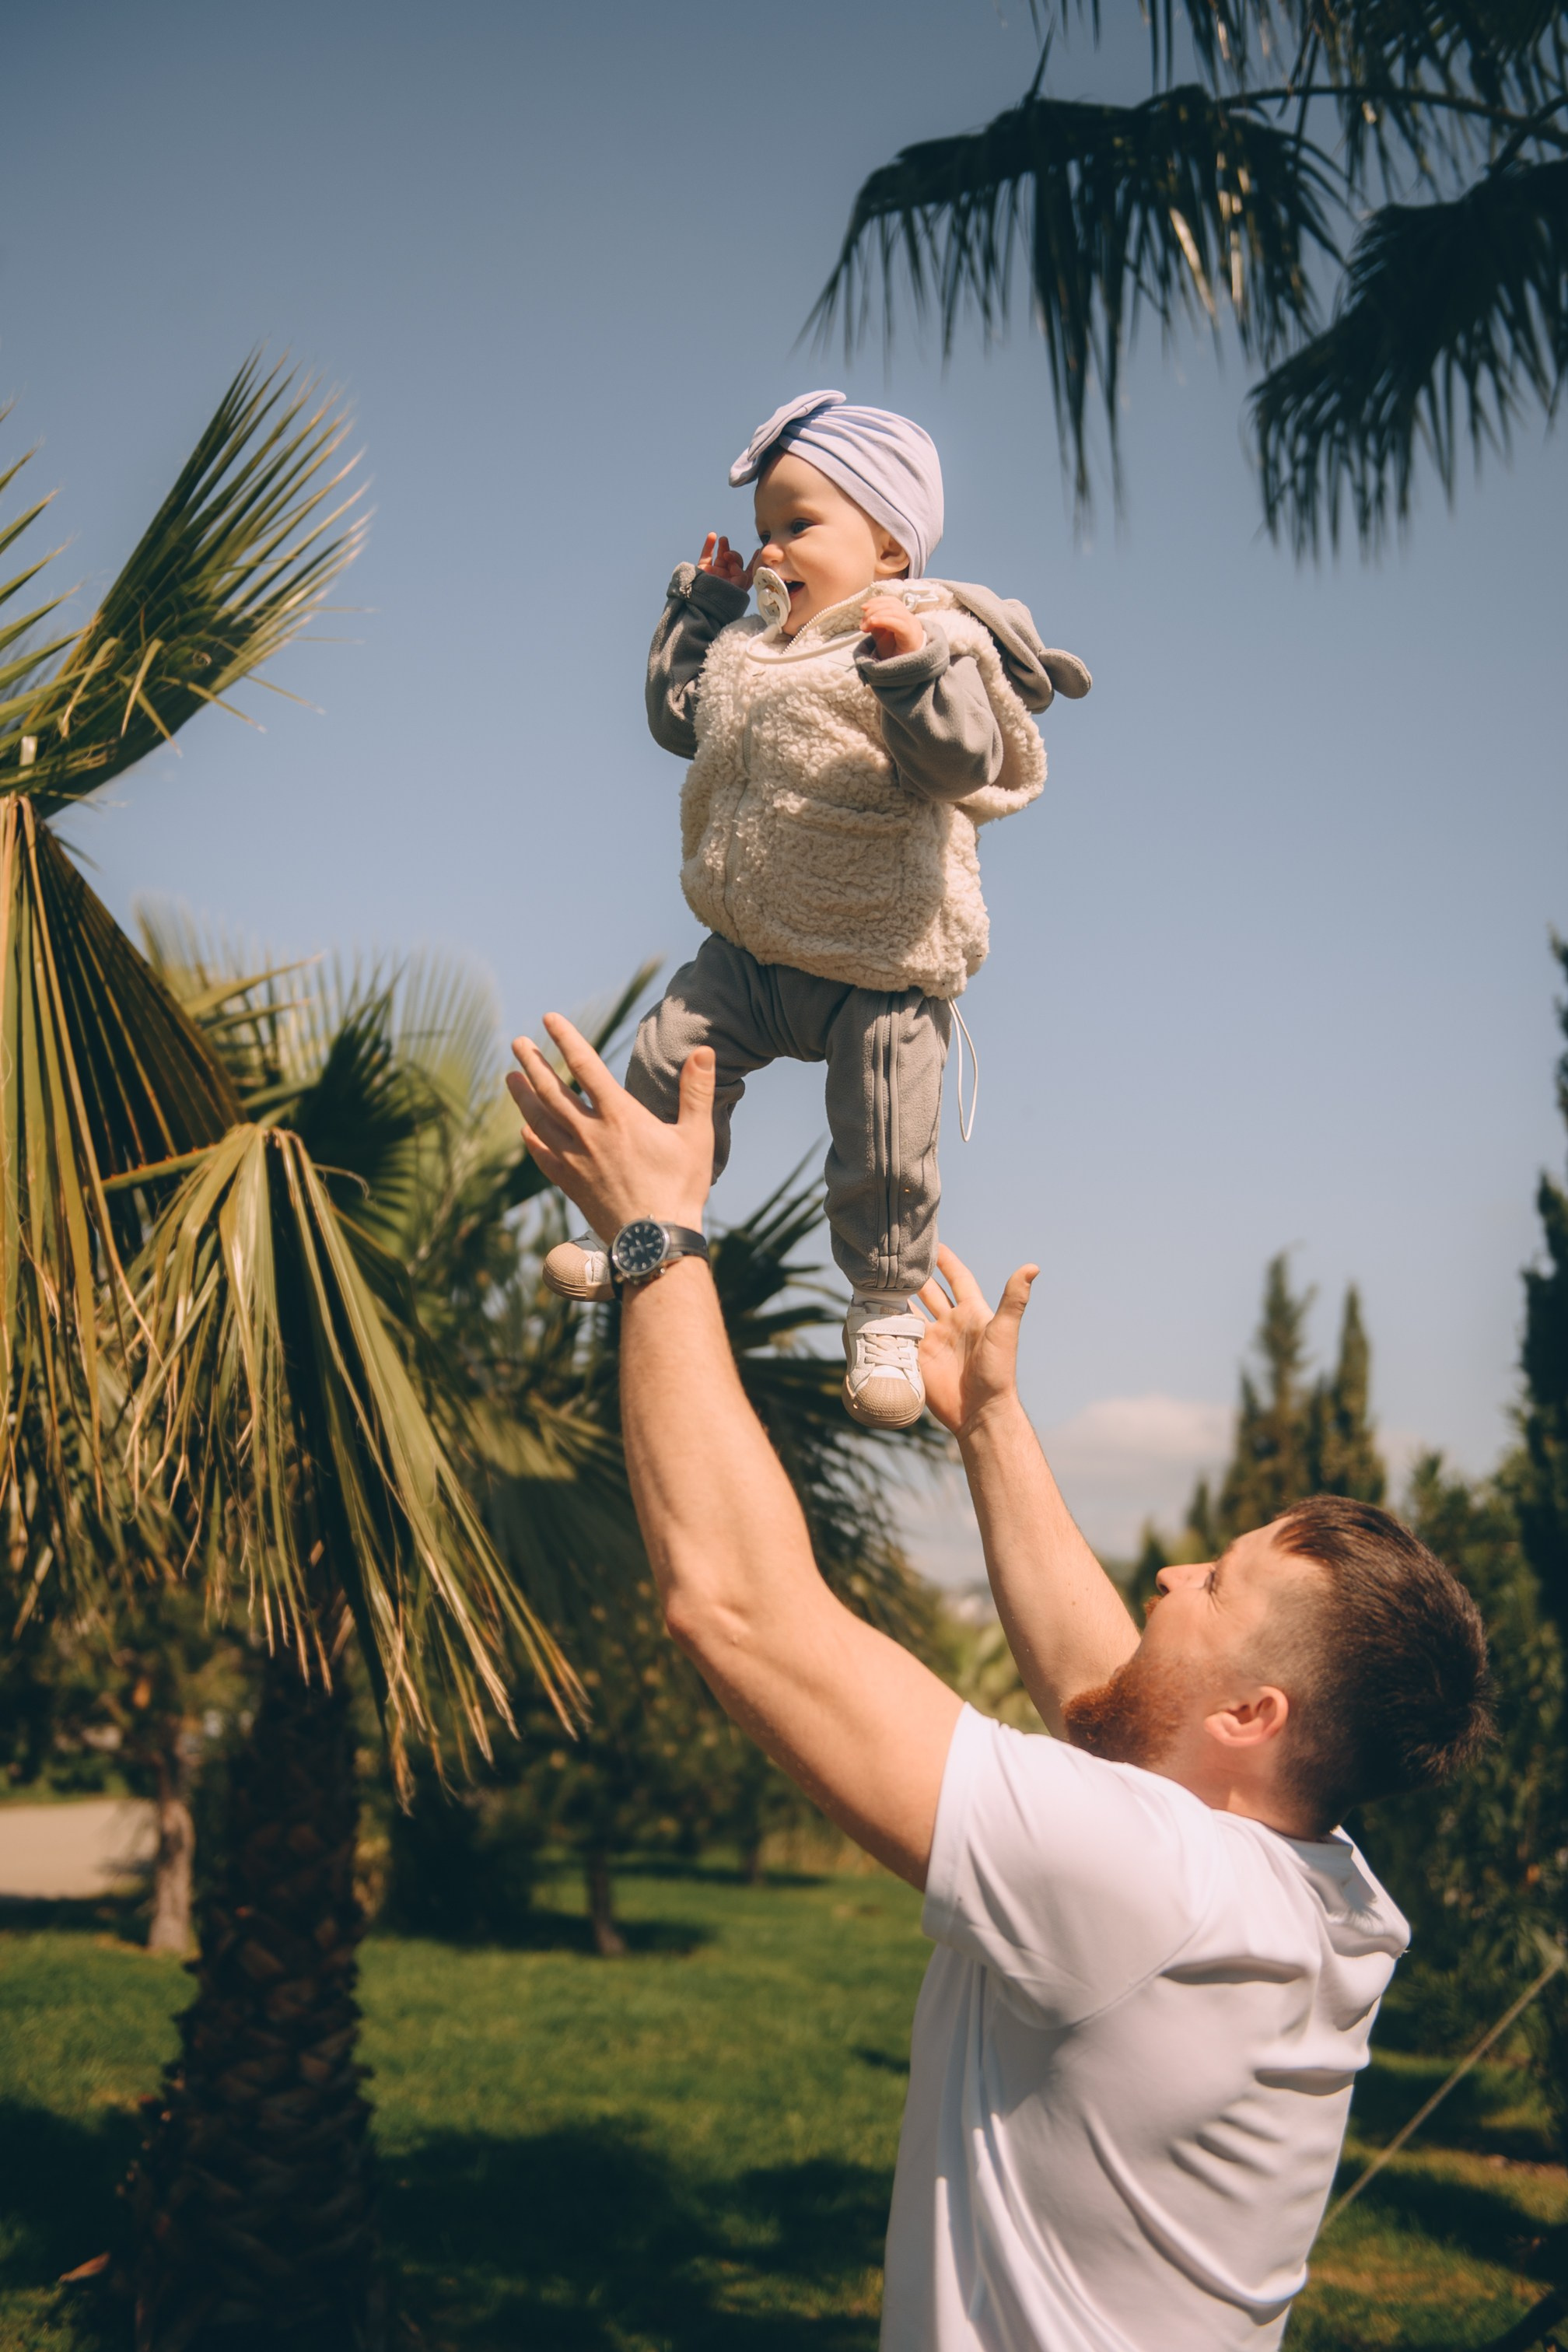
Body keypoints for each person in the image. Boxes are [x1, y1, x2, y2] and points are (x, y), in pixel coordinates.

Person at [506, 1017, 1493, 2352]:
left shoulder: (1155, 1890)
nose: (1171, 1574)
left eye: (1215, 1584)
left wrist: (657, 1236)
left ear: (1254, 1717)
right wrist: (990, 1423)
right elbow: (1112, 1697)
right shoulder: (1315, 1886)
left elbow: (741, 1611)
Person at [541, 388, 1090, 1432]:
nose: (771, 551)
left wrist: (908, 671)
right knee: (664, 1059)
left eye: (799, 525)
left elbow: (962, 762)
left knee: (885, 1142)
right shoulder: (755, 648)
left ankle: (883, 1305)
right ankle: (639, 1223)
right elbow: (679, 722)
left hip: (878, 960)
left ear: (889, 547)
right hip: (751, 949)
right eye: (762, 531)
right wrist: (702, 612)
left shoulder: (927, 636)